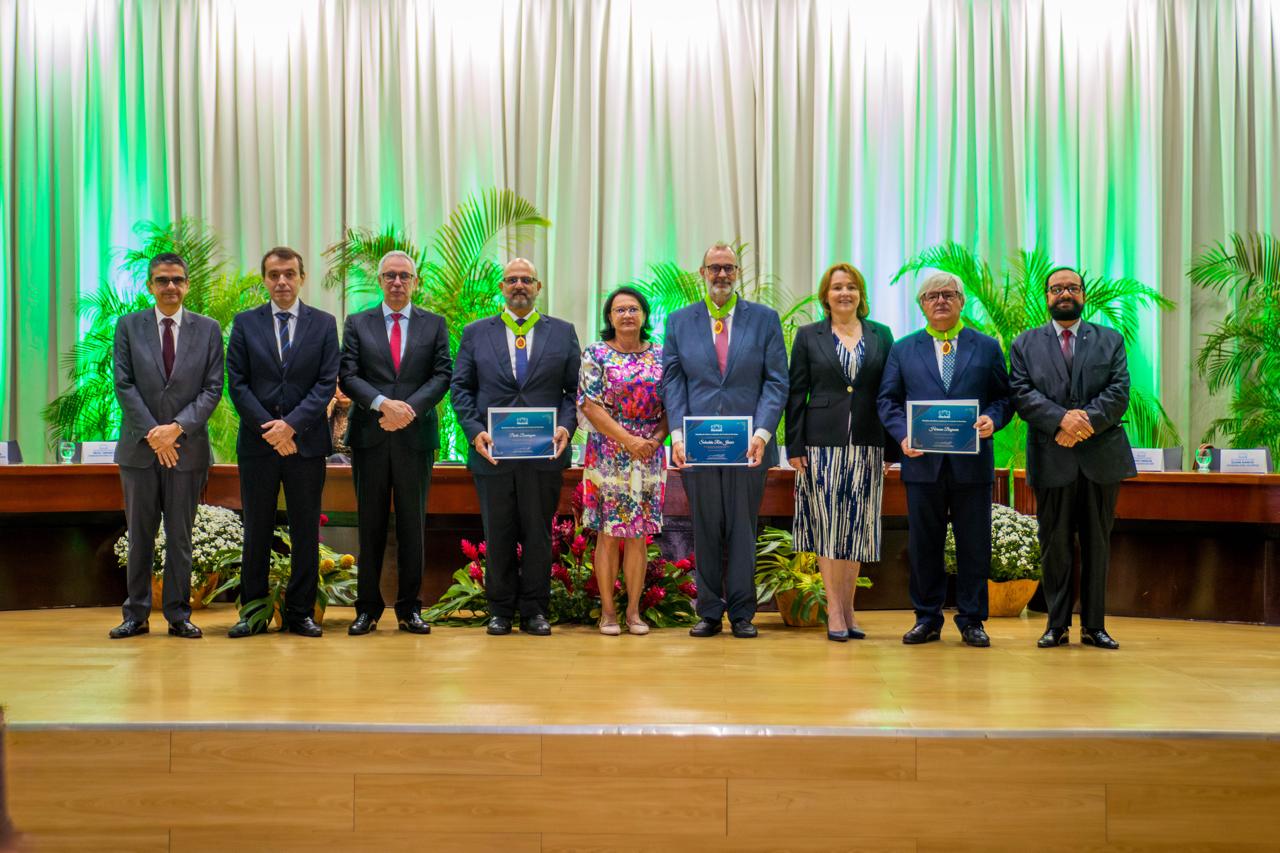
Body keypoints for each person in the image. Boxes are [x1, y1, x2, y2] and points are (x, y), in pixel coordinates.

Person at [877, 271, 1011, 647]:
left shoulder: (986, 347)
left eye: (948, 294)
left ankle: (972, 620)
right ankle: (927, 618)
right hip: (922, 466)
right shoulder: (904, 349)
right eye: (932, 295)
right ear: (921, 304)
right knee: (924, 544)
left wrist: (993, 419)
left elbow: (1004, 398)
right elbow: (886, 400)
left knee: (974, 544)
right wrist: (903, 435)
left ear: (962, 301)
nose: (940, 301)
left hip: (972, 467)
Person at [662, 242, 789, 639]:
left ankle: (743, 613)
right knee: (706, 526)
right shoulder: (680, 321)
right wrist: (678, 435)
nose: (721, 274)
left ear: (738, 274)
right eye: (714, 268)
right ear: (702, 273)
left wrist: (762, 432)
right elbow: (673, 380)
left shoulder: (765, 320)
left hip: (749, 447)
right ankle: (709, 611)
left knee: (742, 528)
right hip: (697, 447)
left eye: (728, 268)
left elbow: (776, 381)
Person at [450, 258, 579, 636]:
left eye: (526, 280)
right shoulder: (476, 333)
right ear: (502, 288)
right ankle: (500, 611)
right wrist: (475, 432)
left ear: (538, 287)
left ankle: (536, 610)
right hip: (493, 453)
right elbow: (461, 389)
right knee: (498, 531)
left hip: (545, 455)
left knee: (539, 533)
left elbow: (574, 392)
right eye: (512, 280)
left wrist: (566, 428)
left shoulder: (562, 332)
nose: (519, 285)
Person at [1009, 266, 1136, 650]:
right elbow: (1021, 393)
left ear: (1083, 294)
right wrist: (1061, 419)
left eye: (1072, 287)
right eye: (1056, 288)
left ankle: (1094, 626)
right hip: (1052, 457)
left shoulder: (1110, 340)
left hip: (1100, 459)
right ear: (1045, 296)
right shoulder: (1025, 344)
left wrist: (1084, 423)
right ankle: (1057, 624)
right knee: (1055, 545)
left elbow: (1118, 392)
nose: (1065, 293)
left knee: (1097, 544)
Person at [226, 246, 340, 638]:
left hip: (306, 445)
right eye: (274, 274)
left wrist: (290, 427)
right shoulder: (244, 323)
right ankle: (254, 613)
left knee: (305, 530)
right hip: (258, 446)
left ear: (302, 277)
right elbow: (237, 385)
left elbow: (326, 383)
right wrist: (271, 430)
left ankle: (299, 614)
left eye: (289, 273)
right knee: (256, 529)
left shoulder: (324, 324)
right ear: (265, 279)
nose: (282, 281)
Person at [109, 252, 224, 640]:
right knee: (139, 535)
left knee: (180, 535)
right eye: (162, 280)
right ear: (149, 286)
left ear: (187, 284)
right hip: (139, 452)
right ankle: (136, 614)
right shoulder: (128, 326)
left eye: (177, 279)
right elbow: (123, 384)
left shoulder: (208, 329)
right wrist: (154, 434)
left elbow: (213, 389)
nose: (170, 286)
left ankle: (178, 614)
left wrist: (175, 430)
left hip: (187, 450)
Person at [339, 251, 452, 636]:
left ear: (416, 281)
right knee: (369, 524)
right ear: (380, 281)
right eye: (390, 275)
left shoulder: (434, 324)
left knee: (411, 524)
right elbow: (348, 374)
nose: (397, 282)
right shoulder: (357, 323)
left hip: (415, 437)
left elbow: (441, 375)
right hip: (370, 436)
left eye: (404, 275)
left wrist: (409, 410)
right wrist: (383, 404)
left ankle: (410, 609)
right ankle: (367, 609)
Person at [786, 263, 895, 642]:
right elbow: (796, 393)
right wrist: (795, 445)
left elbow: (889, 392)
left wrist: (891, 446)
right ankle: (833, 610)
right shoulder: (808, 336)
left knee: (858, 528)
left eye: (851, 287)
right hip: (821, 445)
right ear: (825, 295)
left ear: (861, 294)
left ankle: (850, 610)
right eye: (837, 288)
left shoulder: (882, 334)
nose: (844, 293)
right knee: (829, 528)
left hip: (868, 443)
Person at [578, 286, 668, 636]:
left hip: (649, 453)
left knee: (638, 535)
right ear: (609, 317)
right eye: (619, 310)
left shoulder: (661, 355)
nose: (627, 315)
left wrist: (656, 439)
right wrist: (628, 440)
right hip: (608, 452)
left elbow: (673, 404)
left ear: (644, 315)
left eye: (633, 309)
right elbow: (590, 405)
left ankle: (633, 613)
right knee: (608, 534)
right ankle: (608, 612)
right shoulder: (596, 353)